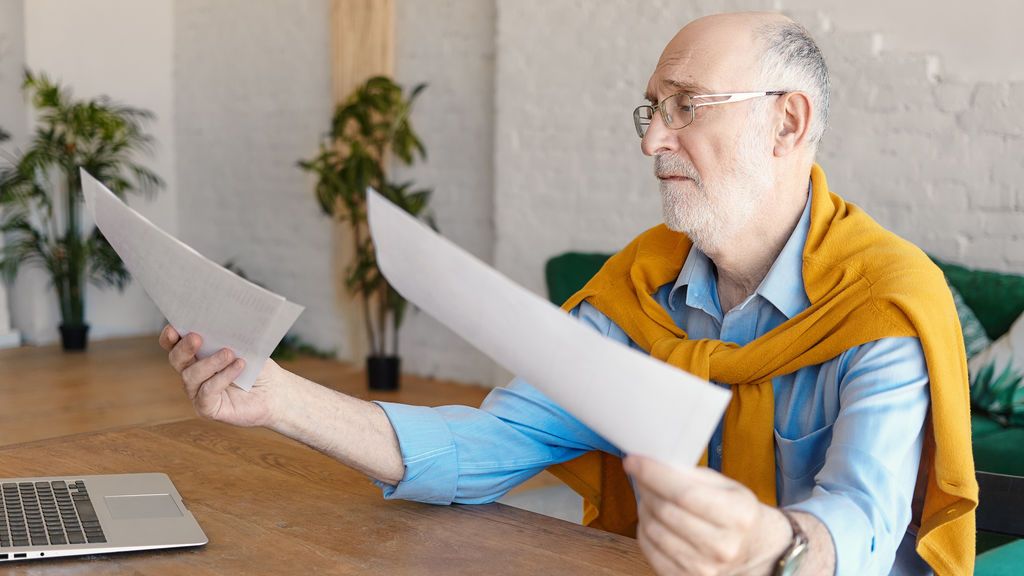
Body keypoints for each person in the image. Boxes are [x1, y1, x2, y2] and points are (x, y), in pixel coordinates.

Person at [159, 11, 977, 576]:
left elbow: (869, 524)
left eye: (687, 106)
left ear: (788, 124)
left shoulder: (885, 301)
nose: (655, 139)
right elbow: (491, 446)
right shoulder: (638, 290)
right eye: (652, 109)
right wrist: (276, 398)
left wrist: (773, 548)